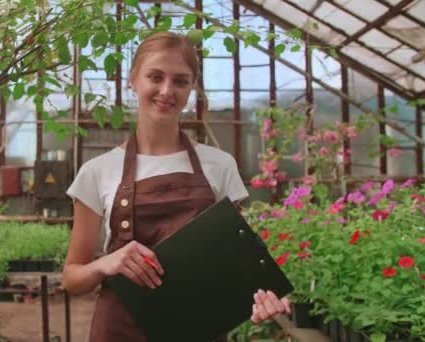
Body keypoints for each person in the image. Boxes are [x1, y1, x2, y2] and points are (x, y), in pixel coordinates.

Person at [63, 31, 291, 341]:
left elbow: (235, 261)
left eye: (180, 81)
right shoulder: (97, 171)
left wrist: (263, 296)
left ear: (192, 88)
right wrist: (107, 263)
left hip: (198, 329)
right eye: (155, 77)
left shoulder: (220, 165)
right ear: (133, 80)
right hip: (120, 331)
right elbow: (72, 278)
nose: (166, 91)